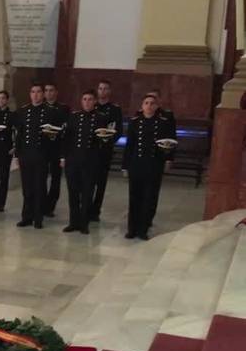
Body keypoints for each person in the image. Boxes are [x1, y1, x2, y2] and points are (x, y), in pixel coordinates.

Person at [124, 95, 176, 240]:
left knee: (149, 198)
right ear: (142, 106)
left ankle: (143, 229)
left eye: (152, 103)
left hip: (154, 164)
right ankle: (132, 229)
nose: (149, 106)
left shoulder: (163, 123)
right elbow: (129, 146)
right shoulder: (135, 122)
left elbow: (170, 142)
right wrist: (125, 166)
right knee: (134, 198)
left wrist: (168, 158)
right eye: (146, 103)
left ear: (156, 106)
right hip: (137, 164)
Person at [61, 91, 103, 234]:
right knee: (73, 193)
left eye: (90, 99)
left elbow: (104, 140)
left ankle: (84, 223)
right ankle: (73, 222)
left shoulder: (100, 118)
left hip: (90, 162)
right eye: (84, 99)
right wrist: (63, 157)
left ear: (95, 101)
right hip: (73, 161)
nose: (87, 102)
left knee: (86, 193)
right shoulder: (74, 116)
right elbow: (66, 139)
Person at [13, 83, 51, 229]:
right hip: (25, 154)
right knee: (27, 188)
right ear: (30, 94)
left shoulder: (49, 111)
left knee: (39, 187)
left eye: (38, 92)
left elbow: (53, 136)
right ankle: (26, 216)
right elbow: (19, 135)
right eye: (33, 92)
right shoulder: (23, 111)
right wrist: (17, 154)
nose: (35, 95)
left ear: (43, 94)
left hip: (41, 155)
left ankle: (38, 217)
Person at [91, 79, 122, 222]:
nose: (102, 91)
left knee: (101, 183)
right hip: (91, 150)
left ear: (109, 91)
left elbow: (118, 130)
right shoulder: (92, 106)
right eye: (100, 88)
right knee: (88, 181)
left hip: (104, 151)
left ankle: (96, 210)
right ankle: (86, 207)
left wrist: (108, 140)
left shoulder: (115, 109)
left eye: (105, 88)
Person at [43, 83, 69, 217]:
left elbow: (67, 130)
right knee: (40, 178)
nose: (48, 93)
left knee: (55, 178)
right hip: (42, 148)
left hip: (57, 148)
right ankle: (40, 204)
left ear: (56, 92)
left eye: (51, 90)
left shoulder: (64, 108)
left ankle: (50, 206)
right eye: (46, 91)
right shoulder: (40, 108)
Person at [0, 90, 14, 212]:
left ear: (7, 100)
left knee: (4, 177)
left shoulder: (11, 115)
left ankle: (1, 203)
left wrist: (14, 147)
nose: (1, 100)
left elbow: (16, 132)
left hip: (6, 149)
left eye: (3, 98)